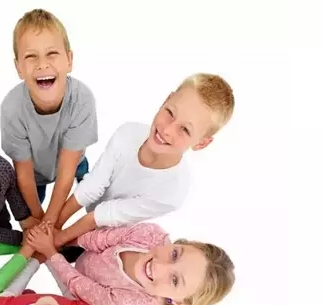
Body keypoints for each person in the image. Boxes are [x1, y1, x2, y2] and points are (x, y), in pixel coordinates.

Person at [53, 73, 235, 248]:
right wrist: (53, 224)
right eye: (170, 112)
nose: (167, 130)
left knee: (81, 248)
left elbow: (105, 215)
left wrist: (60, 238)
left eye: (185, 130)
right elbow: (92, 186)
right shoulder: (128, 133)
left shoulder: (172, 192)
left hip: (109, 232)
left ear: (201, 143)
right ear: (167, 100)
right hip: (96, 207)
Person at [0, 9, 98, 263]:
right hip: (35, 173)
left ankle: (84, 179)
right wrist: (40, 222)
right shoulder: (12, 108)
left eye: (52, 53)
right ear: (18, 68)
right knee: (31, 212)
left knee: (85, 181)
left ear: (69, 60)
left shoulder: (82, 99)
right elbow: (23, 174)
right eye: (31, 56)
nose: (42, 64)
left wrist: (53, 222)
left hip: (71, 162)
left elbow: (65, 173)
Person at [26, 221, 235, 305]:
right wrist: (60, 239)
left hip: (82, 290)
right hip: (89, 255)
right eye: (174, 254)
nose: (160, 266)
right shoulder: (151, 235)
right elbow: (97, 239)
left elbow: (79, 286)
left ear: (179, 301)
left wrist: (50, 252)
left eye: (174, 280)